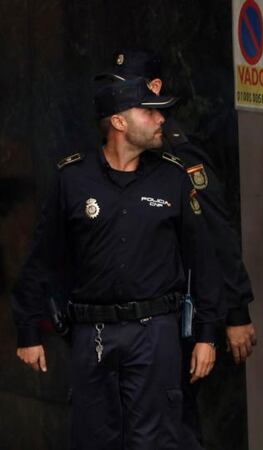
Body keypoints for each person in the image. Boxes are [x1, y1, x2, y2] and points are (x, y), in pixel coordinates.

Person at [12, 77, 223, 449]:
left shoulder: (172, 177)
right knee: (94, 438)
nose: (161, 120)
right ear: (119, 122)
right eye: (149, 112)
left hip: (155, 332)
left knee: (155, 440)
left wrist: (207, 335)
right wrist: (28, 330)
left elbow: (203, 262)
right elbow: (42, 258)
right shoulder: (73, 179)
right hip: (91, 333)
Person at [96, 49, 257, 449]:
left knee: (174, 423)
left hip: (177, 314)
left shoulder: (176, 151)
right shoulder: (109, 150)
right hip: (121, 326)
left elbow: (214, 235)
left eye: (123, 89)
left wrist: (235, 311)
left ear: (153, 89)